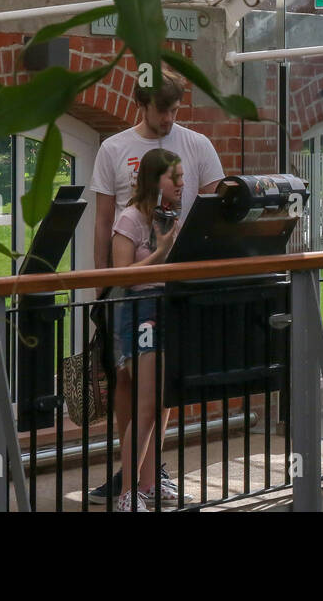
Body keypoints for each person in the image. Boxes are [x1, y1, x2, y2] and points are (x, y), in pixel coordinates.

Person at [86, 71, 223, 506]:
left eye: (175, 109)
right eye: (162, 109)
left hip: (174, 288)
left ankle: (147, 475)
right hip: (133, 288)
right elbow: (104, 222)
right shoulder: (115, 148)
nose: (169, 119)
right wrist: (103, 285)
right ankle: (134, 478)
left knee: (163, 385)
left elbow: (213, 212)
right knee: (130, 383)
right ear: (142, 104)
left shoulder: (197, 145)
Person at [109, 148, 186, 512]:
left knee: (162, 402)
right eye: (176, 178)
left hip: (168, 307)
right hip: (140, 311)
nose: (182, 185)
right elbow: (123, 275)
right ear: (156, 181)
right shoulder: (129, 221)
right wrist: (163, 250)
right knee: (145, 405)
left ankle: (150, 483)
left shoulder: (170, 219)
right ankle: (127, 491)